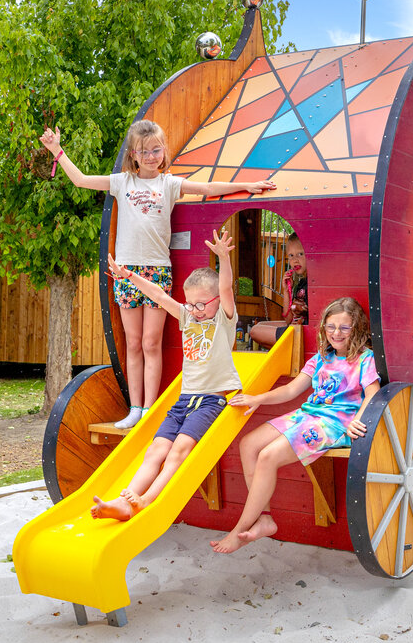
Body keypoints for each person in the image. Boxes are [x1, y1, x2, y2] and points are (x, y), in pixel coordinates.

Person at [40, 121, 274, 429]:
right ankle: (135, 408)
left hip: (156, 270)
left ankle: (150, 408)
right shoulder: (122, 182)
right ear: (133, 155)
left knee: (152, 343)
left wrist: (246, 186)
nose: (150, 156)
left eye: (156, 150)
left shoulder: (169, 184)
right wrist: (57, 151)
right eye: (143, 151)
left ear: (163, 152)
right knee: (133, 343)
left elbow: (206, 189)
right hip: (125, 271)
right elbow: (82, 180)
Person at [91, 228, 242, 520]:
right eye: (191, 304)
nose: (196, 310)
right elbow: (158, 294)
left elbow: (224, 289)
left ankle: (146, 500)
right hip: (185, 400)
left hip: (211, 401)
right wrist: (129, 276)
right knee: (156, 450)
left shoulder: (223, 319)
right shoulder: (187, 316)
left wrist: (223, 258)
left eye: (202, 304)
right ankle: (125, 501)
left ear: (214, 302)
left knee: (180, 449)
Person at [211, 297, 379, 554]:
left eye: (344, 328)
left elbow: (372, 392)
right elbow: (291, 390)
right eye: (331, 326)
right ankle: (264, 517)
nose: (336, 333)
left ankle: (239, 530)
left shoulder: (365, 359)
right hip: (308, 414)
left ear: (356, 328)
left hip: (335, 424)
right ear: (324, 327)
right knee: (248, 444)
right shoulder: (321, 358)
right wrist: (259, 399)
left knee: (268, 456)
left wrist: (360, 419)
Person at [249, 233, 308, 348]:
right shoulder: (300, 283)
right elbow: (288, 319)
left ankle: (287, 353)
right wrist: (286, 290)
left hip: (301, 332)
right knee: (260, 324)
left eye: (300, 254)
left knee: (255, 331)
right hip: (294, 326)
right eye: (291, 256)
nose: (295, 260)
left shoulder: (312, 284)